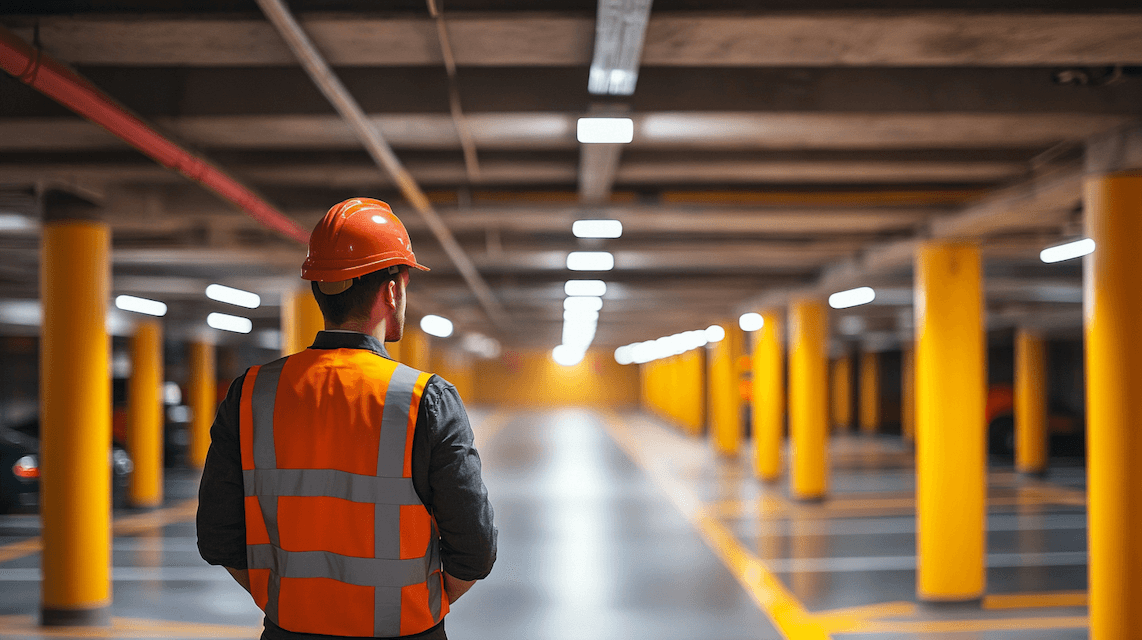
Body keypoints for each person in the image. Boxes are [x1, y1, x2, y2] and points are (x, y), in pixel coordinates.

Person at [197, 197, 496, 640]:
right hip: (405, 632)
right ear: (393, 290)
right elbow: (475, 550)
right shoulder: (424, 399)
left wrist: (287, 603)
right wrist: (418, 604)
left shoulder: (252, 393)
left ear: (319, 288)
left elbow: (218, 535)